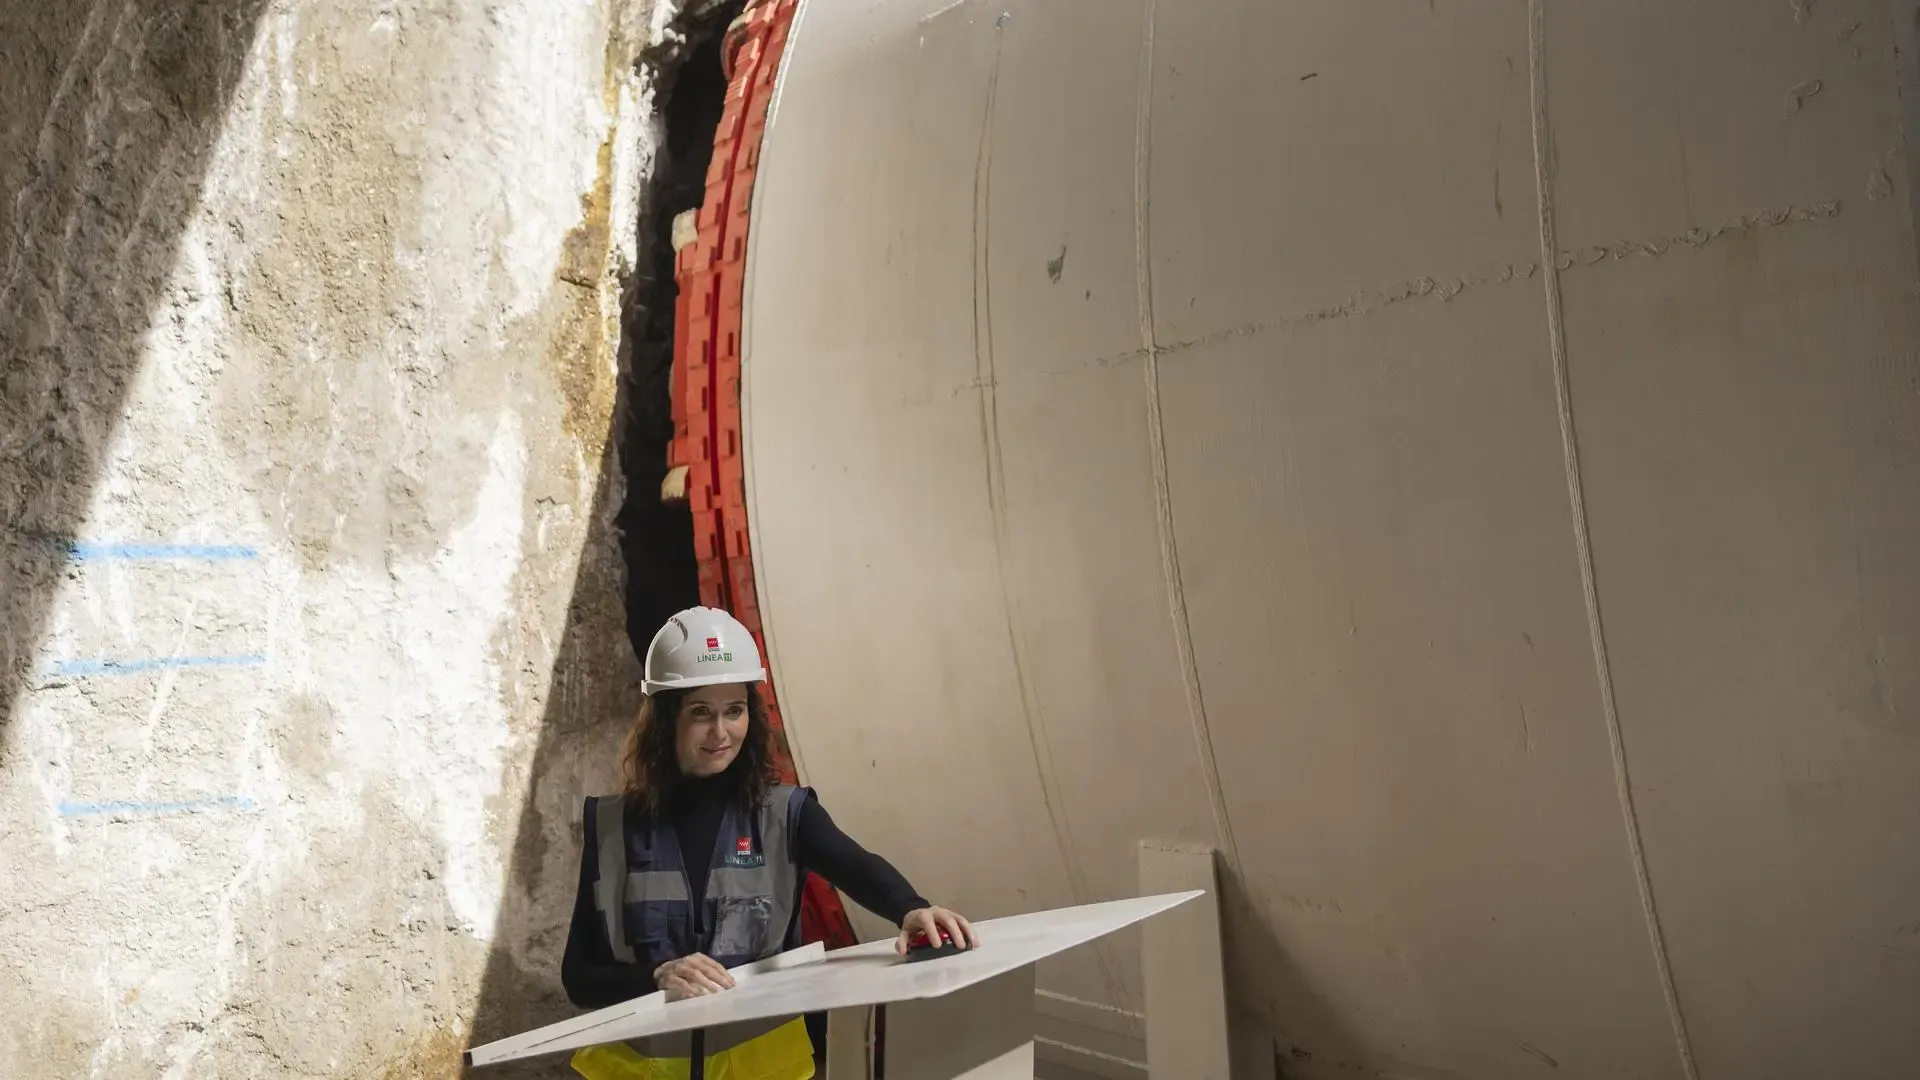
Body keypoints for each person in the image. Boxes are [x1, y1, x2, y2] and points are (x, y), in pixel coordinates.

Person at [560, 605, 975, 1080]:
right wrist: (655, 977)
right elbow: (579, 977)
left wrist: (911, 908)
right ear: (665, 719)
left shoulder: (786, 814)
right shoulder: (611, 825)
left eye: (734, 711)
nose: (721, 732)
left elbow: (856, 865)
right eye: (700, 713)